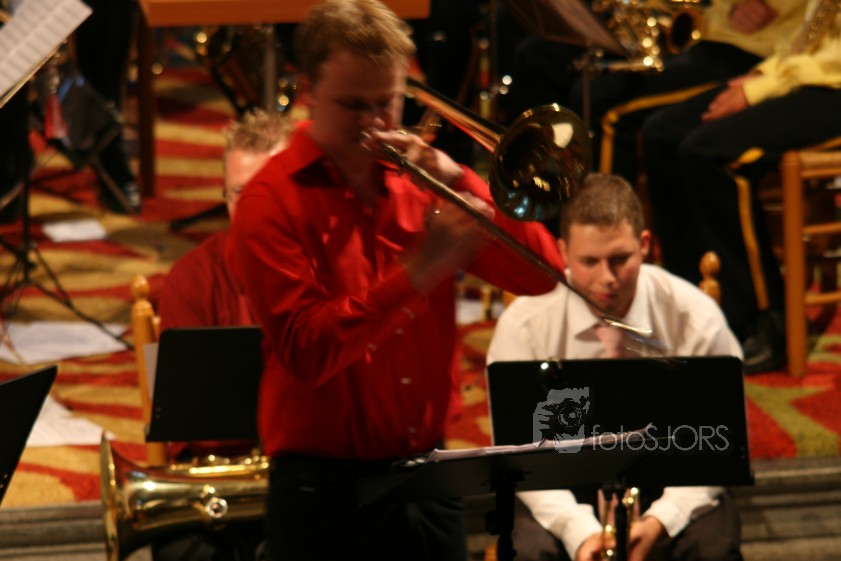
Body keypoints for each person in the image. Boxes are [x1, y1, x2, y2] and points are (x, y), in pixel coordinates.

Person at [226, 1, 565, 559]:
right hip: (325, 494)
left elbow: (542, 273)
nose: (375, 123)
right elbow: (308, 350)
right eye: (352, 105)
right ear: (307, 91)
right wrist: (418, 272)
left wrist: (458, 176)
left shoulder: (422, 181)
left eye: (387, 102)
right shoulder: (270, 200)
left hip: (428, 477)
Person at [486, 174, 744, 561]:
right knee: (528, 551)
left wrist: (660, 521)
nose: (606, 278)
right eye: (589, 262)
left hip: (671, 473)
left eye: (620, 259)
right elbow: (518, 453)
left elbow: (719, 442)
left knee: (712, 549)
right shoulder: (525, 323)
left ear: (645, 245)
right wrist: (579, 532)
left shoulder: (694, 316)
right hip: (561, 479)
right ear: (563, 252)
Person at [640, 0, 841, 373]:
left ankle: (766, 317)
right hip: (803, 73)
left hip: (832, 85)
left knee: (711, 152)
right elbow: (811, 35)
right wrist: (765, 74)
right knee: (662, 134)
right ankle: (689, 300)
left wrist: (765, 85)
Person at [152, 108, 290, 561]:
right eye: (237, 195)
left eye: (265, 194)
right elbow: (192, 433)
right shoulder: (191, 279)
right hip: (229, 489)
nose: (249, 211)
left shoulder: (333, 271)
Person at [502, 0, 805, 183]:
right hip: (710, 32)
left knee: (606, 104)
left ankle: (603, 235)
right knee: (538, 59)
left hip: (760, 51)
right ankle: (547, 212)